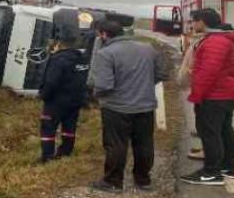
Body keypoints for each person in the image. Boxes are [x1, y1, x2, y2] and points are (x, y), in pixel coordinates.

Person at [91, 21, 167, 193]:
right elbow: (162, 73)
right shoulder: (148, 48)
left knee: (116, 145)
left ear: (104, 34)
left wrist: (97, 96)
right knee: (144, 144)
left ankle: (113, 182)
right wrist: (145, 85)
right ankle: (143, 180)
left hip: (116, 108)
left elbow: (104, 85)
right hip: (146, 106)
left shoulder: (106, 53)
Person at [181, 9, 234, 185]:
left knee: (210, 133)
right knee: (224, 130)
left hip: (215, 95)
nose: (192, 25)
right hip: (227, 93)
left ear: (202, 21)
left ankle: (211, 173)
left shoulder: (215, 41)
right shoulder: (225, 38)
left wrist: (196, 94)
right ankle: (228, 167)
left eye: (194, 21)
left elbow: (208, 72)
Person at [38, 32, 90, 163]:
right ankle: (66, 152)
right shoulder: (83, 59)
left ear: (59, 44)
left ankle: (47, 156)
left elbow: (51, 81)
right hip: (76, 100)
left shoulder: (58, 59)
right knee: (69, 127)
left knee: (48, 128)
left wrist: (43, 95)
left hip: (56, 101)